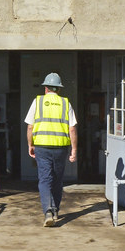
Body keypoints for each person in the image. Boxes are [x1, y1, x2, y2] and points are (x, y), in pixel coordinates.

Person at [25, 72, 78, 227]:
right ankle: (55, 210)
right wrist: (74, 150)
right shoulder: (65, 103)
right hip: (61, 148)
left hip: (42, 147)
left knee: (45, 179)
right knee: (57, 179)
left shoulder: (38, 102)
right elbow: (72, 129)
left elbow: (30, 127)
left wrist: (30, 144)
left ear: (46, 88)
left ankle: (48, 211)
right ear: (59, 89)